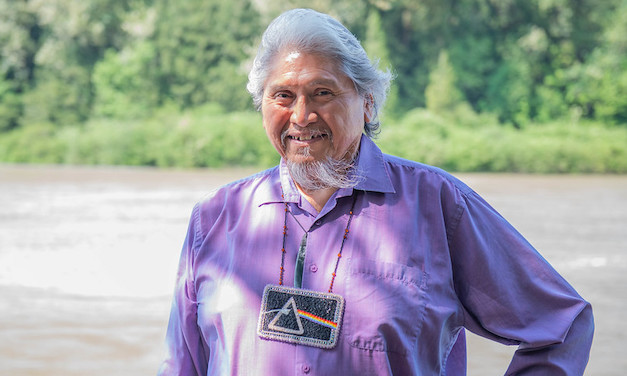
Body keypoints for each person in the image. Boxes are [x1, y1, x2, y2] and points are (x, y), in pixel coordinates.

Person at [158, 8, 594, 375]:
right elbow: (183, 364)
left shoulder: (439, 206)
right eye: (283, 96)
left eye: (322, 92)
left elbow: (561, 325)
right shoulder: (215, 217)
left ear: (367, 101)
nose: (302, 115)